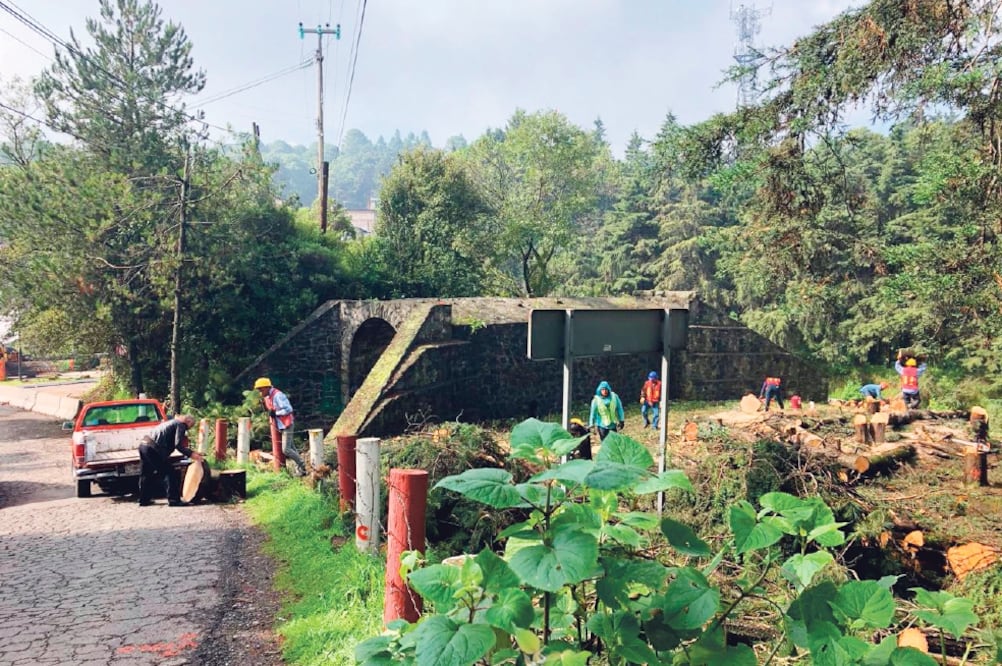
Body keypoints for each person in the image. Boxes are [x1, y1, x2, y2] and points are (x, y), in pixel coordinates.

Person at [138, 414, 203, 506]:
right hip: (153, 448)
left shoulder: (171, 422)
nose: (188, 429)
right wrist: (191, 454)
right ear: (188, 421)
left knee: (146, 473)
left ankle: (143, 500)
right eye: (190, 426)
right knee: (169, 472)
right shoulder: (181, 425)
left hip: (143, 445)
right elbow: (178, 445)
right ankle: (174, 500)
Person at [254, 377, 307, 476]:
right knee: (292, 448)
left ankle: (303, 466)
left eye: (260, 390)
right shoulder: (267, 397)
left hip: (287, 423)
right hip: (281, 425)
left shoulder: (278, 395)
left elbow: (288, 409)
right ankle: (300, 469)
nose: (260, 393)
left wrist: (276, 413)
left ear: (266, 388)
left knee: (286, 449)